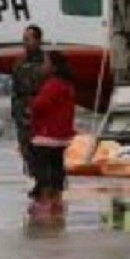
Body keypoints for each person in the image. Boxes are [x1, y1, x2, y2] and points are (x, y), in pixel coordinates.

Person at [29, 51, 76, 218]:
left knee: (42, 170)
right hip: (62, 135)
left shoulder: (52, 85)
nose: (42, 66)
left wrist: (31, 104)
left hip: (46, 135)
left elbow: (40, 105)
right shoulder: (67, 85)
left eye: (45, 63)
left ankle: (44, 202)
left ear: (53, 67)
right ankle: (57, 200)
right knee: (57, 167)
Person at [11, 25, 47, 197]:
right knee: (26, 149)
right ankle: (37, 179)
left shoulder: (46, 62)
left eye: (28, 39)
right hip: (22, 110)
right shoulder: (20, 62)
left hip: (40, 110)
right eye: (24, 39)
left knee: (41, 148)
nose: (25, 42)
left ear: (38, 40)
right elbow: (16, 88)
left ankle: (44, 182)